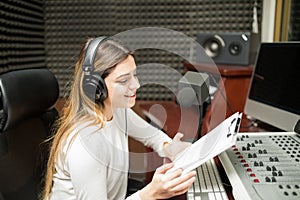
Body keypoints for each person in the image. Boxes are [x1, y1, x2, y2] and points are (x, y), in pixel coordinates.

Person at [42, 36, 196, 200]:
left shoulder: (117, 109)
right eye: (123, 80)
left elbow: (152, 136)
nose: (136, 85)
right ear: (96, 87)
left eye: (134, 75)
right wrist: (149, 194)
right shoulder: (85, 144)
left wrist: (168, 146)